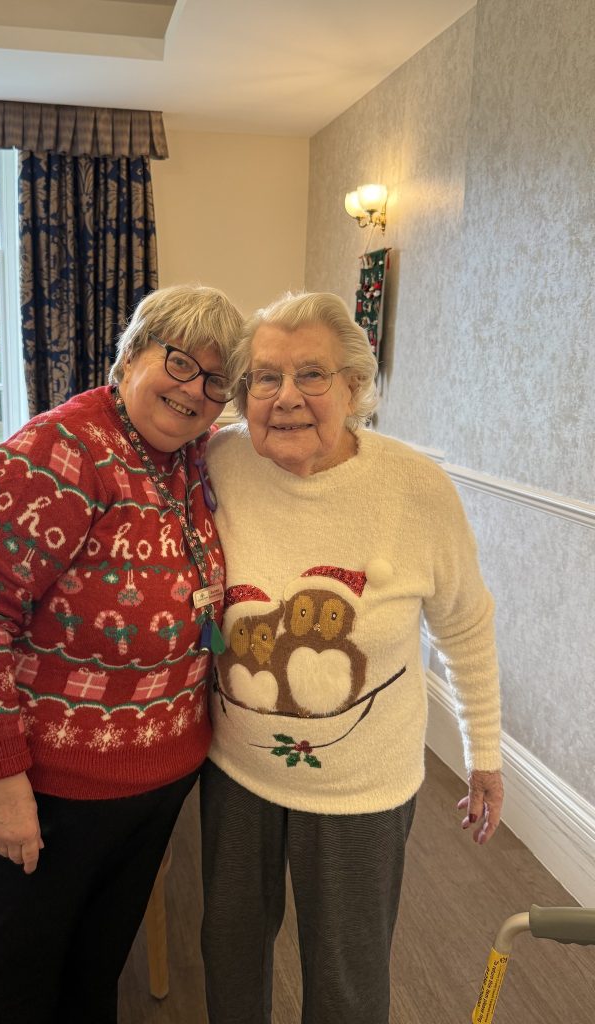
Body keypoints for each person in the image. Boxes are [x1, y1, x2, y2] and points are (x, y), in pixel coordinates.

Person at [0, 283, 243, 1024]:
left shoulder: (191, 460)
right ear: (130, 355)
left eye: (216, 379)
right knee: (15, 982)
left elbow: (199, 596)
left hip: (151, 775)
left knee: (94, 974)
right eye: (178, 362)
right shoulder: (58, 451)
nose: (194, 390)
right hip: (43, 779)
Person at [201, 291, 503, 1024]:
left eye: (312, 375)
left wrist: (484, 753)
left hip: (361, 788)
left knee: (346, 970)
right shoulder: (218, 461)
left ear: (356, 388)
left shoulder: (413, 488)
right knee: (230, 949)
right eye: (264, 378)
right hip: (237, 768)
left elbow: (465, 623)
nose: (286, 398)